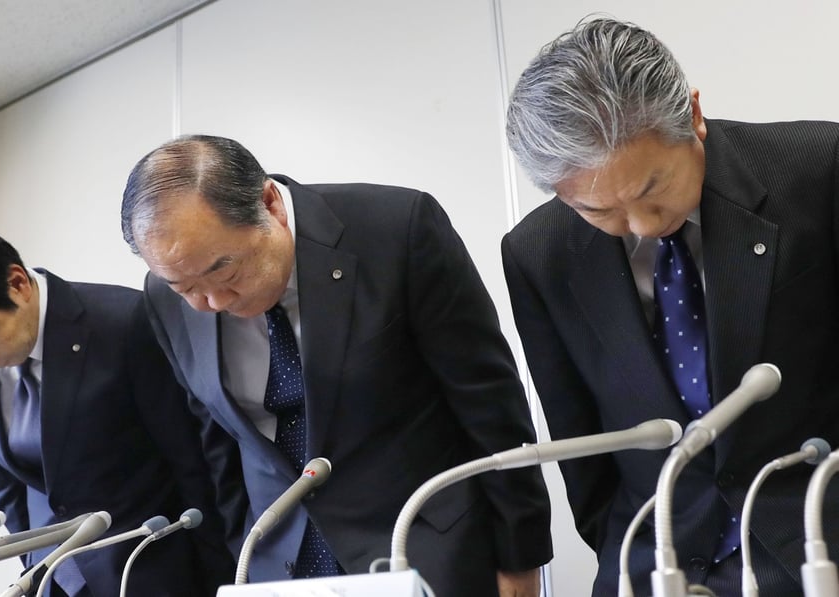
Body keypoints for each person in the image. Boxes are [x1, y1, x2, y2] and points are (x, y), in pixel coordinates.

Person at [118, 134, 552, 596]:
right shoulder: (162, 294)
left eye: (226, 272)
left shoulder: (396, 228)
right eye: (186, 288)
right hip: (276, 567)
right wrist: (240, 554)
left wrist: (519, 554)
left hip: (423, 547)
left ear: (269, 205)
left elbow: (488, 401)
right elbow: (217, 447)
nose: (212, 301)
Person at [502, 17, 839, 596]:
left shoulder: (819, 169)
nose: (640, 225)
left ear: (694, 116)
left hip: (817, 542)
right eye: (598, 211)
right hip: (656, 564)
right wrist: (631, 548)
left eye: (652, 188)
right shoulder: (538, 252)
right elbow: (582, 447)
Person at [0, 223, 235, 597]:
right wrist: (35, 575)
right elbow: (9, 492)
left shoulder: (126, 322)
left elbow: (193, 464)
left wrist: (219, 580)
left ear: (17, 284)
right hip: (54, 582)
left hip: (152, 573)